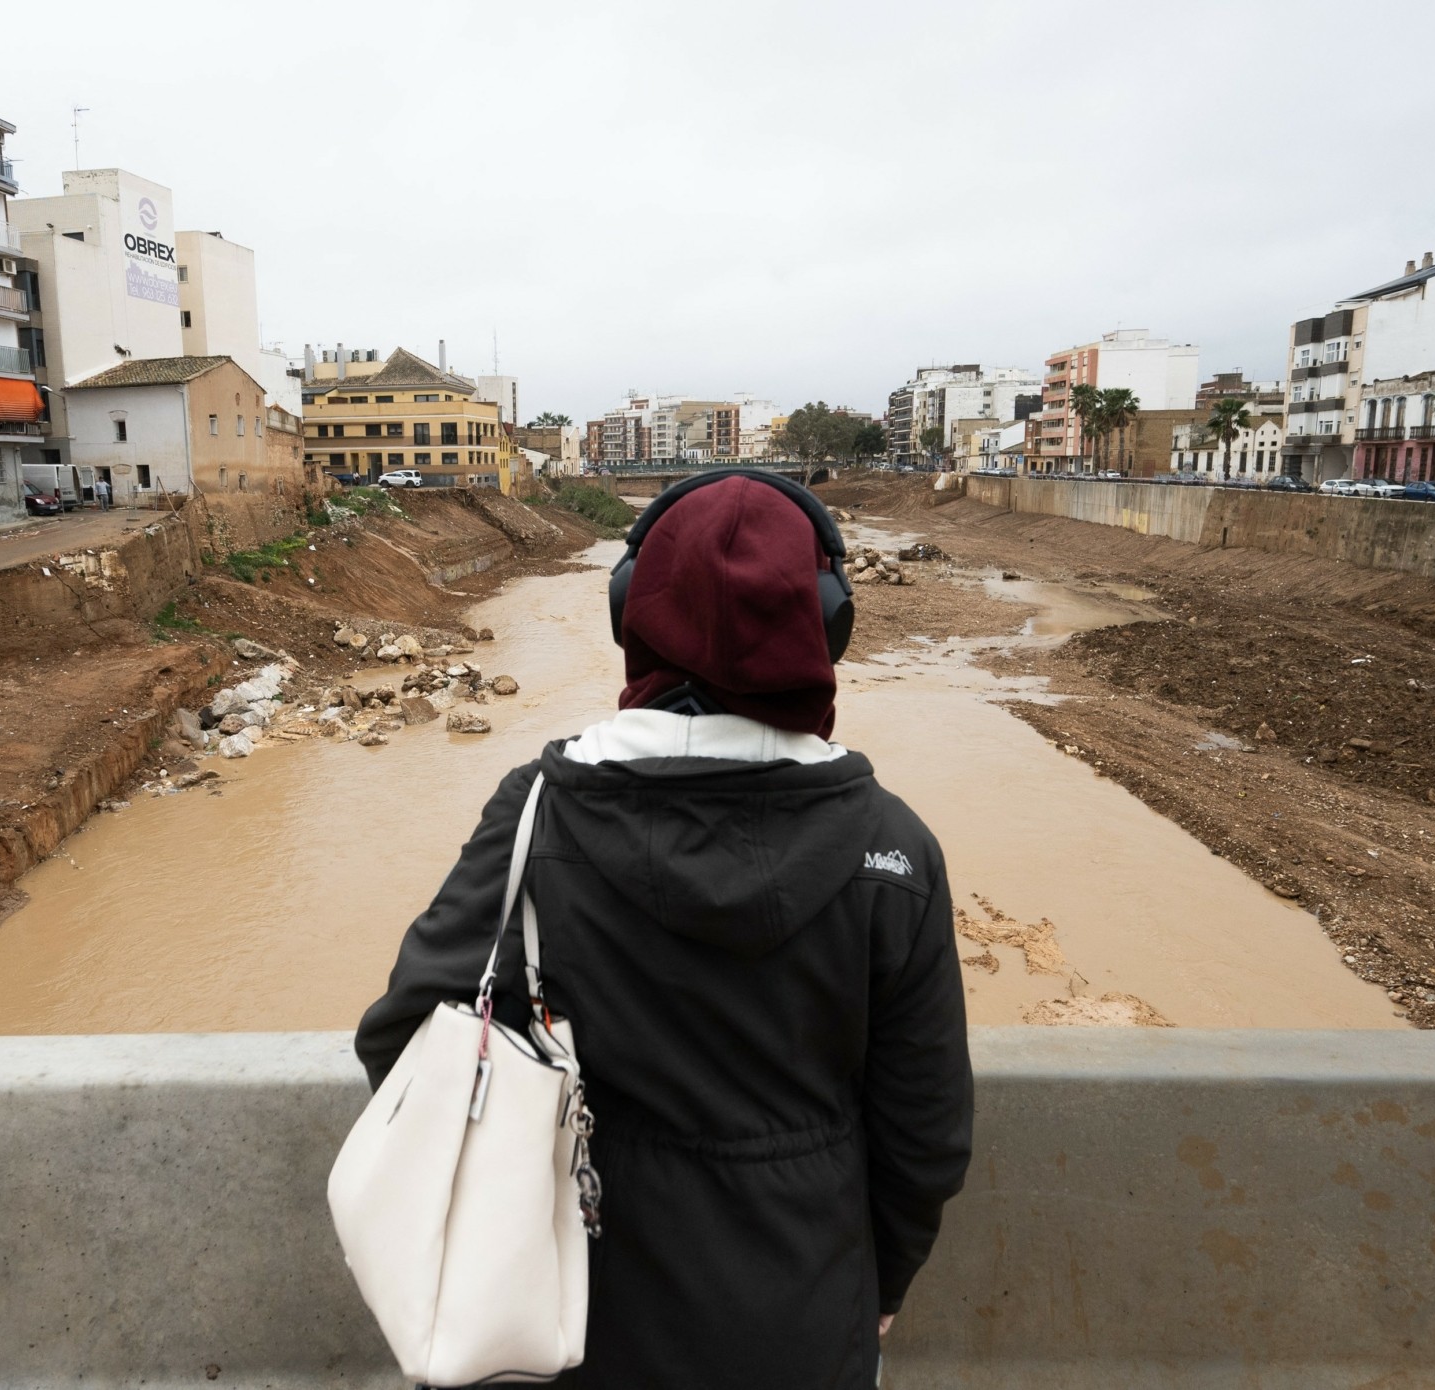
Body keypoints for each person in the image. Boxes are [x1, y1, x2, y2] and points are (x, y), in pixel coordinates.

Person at [356, 471, 973, 1389]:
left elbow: (406, 1036)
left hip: (573, 1324)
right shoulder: (894, 848)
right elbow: (926, 1130)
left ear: (630, 614)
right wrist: (879, 1283)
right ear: (824, 624)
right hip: (805, 1323)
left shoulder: (537, 813)